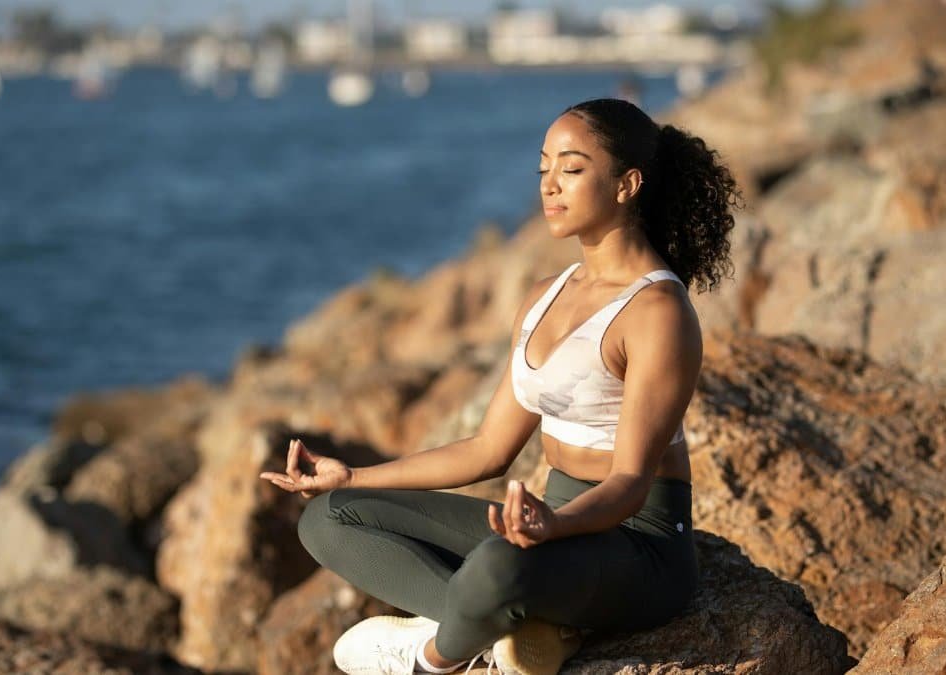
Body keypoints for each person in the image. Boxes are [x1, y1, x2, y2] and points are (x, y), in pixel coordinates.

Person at [260, 97, 740, 675]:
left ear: (626, 184)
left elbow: (632, 483)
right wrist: (353, 476)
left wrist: (555, 526)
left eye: (572, 168)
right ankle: (514, 629)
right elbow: (487, 450)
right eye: (543, 169)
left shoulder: (656, 310)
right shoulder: (545, 295)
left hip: (637, 544)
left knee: (496, 567)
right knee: (331, 517)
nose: (551, 186)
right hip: (553, 525)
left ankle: (434, 658)